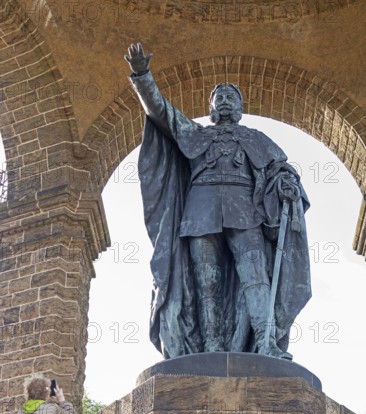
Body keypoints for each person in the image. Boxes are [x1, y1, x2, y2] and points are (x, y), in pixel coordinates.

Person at [125, 43, 311, 360]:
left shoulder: (257, 138)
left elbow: (280, 169)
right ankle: (210, 348)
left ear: (239, 107)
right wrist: (142, 76)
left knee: (255, 276)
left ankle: (266, 343)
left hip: (246, 212)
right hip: (200, 212)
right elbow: (162, 111)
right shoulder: (195, 133)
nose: (224, 101)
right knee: (206, 284)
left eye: (231, 97)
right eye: (218, 97)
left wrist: (287, 183)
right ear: (211, 108)